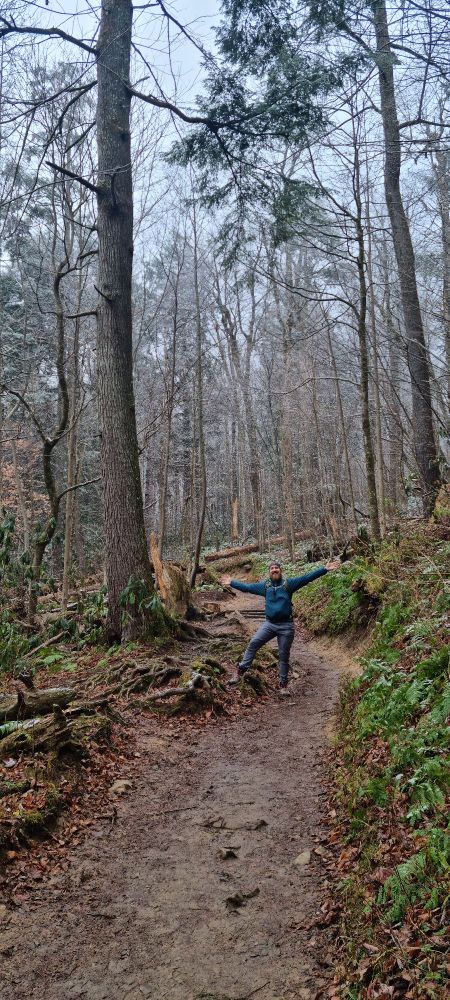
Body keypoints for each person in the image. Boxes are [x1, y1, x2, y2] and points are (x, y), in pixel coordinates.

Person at [222, 558, 340, 690]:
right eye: (272, 569)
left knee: (284, 656)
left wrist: (324, 569)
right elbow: (247, 588)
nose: (274, 570)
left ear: (280, 571)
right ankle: (240, 670)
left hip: (286, 626)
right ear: (269, 572)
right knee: (254, 643)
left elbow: (307, 578)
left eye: (276, 568)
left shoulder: (288, 584)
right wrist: (231, 582)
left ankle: (283, 685)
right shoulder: (264, 586)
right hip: (270, 625)